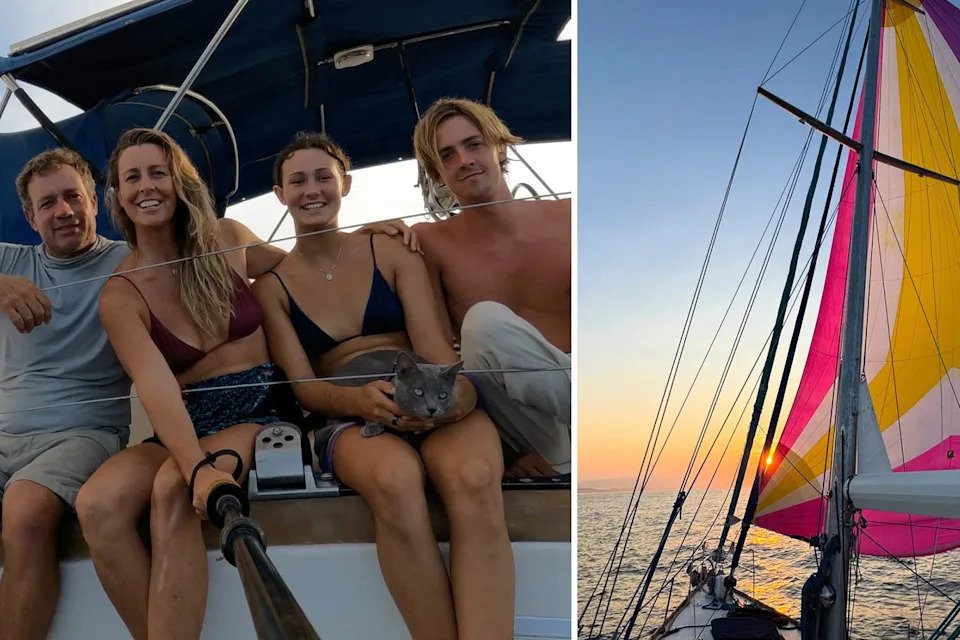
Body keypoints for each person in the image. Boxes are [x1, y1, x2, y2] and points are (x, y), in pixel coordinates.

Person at [253, 132, 514, 640]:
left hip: (431, 391)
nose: (312, 190)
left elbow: (434, 347)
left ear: (345, 184)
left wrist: (459, 401)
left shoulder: (389, 248)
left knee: (475, 475)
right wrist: (357, 401)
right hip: (347, 412)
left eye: (324, 177)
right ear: (280, 194)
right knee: (394, 480)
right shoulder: (271, 286)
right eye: (297, 181)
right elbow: (305, 388)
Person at [0, 148, 132, 640]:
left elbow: (223, 247)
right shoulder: (10, 261)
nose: (63, 211)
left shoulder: (129, 260)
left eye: (73, 197)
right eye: (48, 203)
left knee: (26, 512)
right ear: (30, 218)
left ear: (94, 201)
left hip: (85, 433)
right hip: (5, 435)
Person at [412, 97, 572, 477]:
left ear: (500, 149)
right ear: (436, 174)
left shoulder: (568, 216)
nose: (464, 160)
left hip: (583, 390)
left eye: (474, 144)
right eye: (447, 155)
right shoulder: (429, 242)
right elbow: (436, 352)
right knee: (484, 323)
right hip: (526, 428)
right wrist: (507, 451)